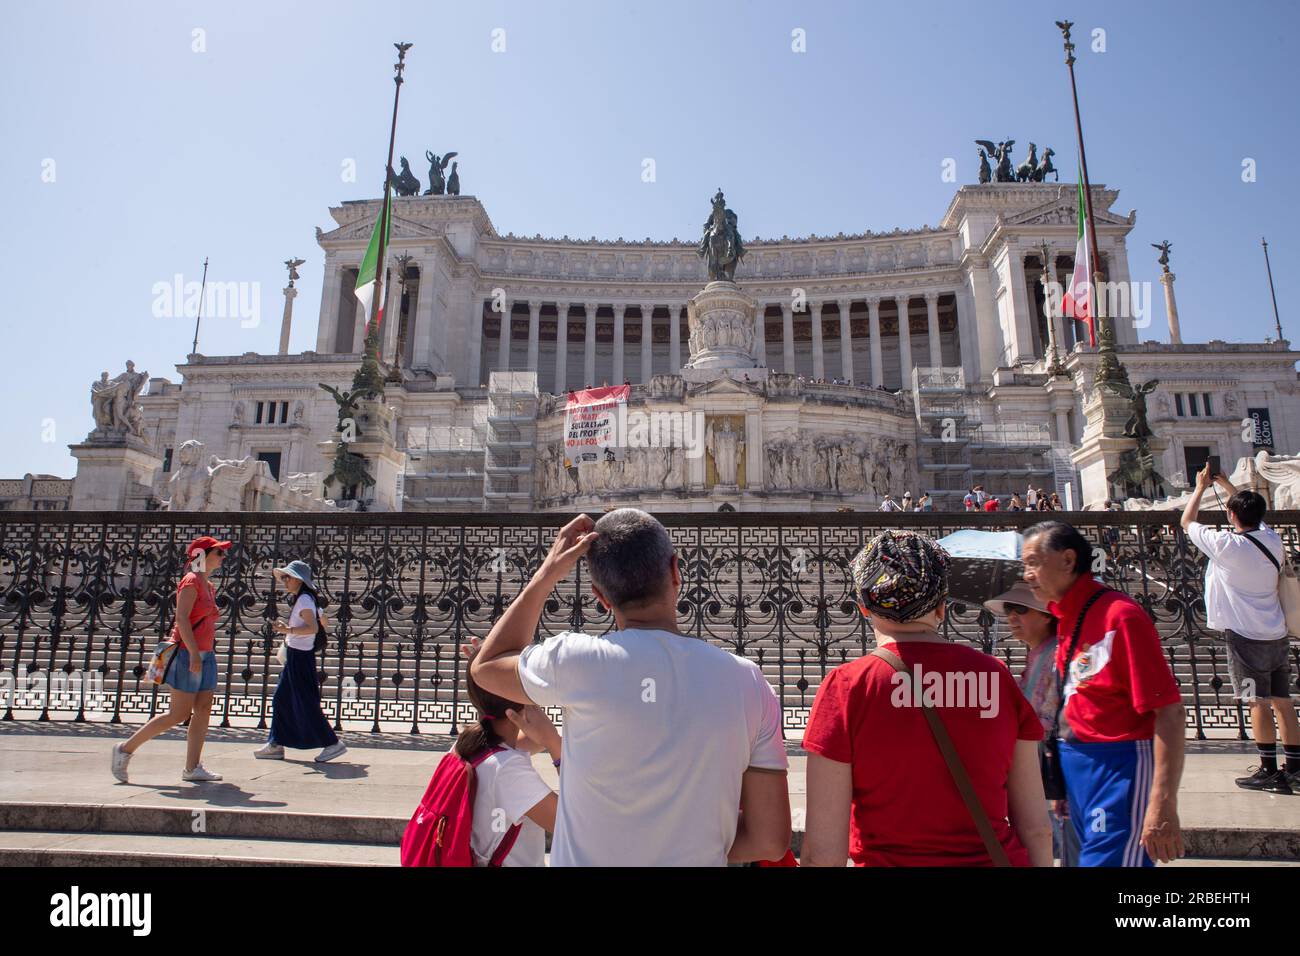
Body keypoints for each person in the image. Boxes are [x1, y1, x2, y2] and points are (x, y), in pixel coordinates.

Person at [471, 510, 791, 866]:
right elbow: (770, 839)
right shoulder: (747, 681)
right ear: (675, 571)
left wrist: (549, 572)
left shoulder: (576, 662)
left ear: (600, 596)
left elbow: (486, 665)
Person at [802, 531, 1051, 867]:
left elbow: (823, 853)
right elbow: (1036, 828)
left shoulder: (847, 687)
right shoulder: (997, 677)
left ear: (864, 606)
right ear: (941, 606)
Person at [1021, 521, 1185, 866]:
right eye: (1025, 565)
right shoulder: (1067, 619)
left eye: (1034, 562)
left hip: (1119, 769)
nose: (1027, 574)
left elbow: (1168, 711)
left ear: (1068, 560)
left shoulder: (1120, 617)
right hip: (1079, 772)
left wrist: (1162, 801)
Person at [1181, 464, 1299, 793]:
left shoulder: (1225, 545)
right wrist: (1227, 485)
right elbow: (1253, 515)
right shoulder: (1271, 540)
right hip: (1276, 634)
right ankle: (1295, 768)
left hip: (1245, 639)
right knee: (1282, 701)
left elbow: (1187, 521)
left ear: (1231, 516)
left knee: (1256, 702)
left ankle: (1268, 770)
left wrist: (1202, 487)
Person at [111, 535, 229, 783]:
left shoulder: (208, 585)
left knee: (204, 710)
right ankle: (124, 750)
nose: (223, 557)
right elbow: (182, 619)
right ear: (202, 555)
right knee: (178, 714)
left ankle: (192, 767)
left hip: (206, 654)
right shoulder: (191, 581)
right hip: (189, 653)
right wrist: (194, 653)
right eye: (218, 552)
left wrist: (203, 653)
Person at [985, 582, 1078, 866]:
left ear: (1047, 614)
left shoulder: (1057, 653)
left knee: (1067, 846)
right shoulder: (1039, 653)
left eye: (1021, 609)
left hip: (1054, 767)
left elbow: (1046, 717)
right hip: (1040, 766)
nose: (1012, 617)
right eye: (1009, 610)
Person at [458, 641, 559, 866]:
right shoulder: (508, 770)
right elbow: (573, 825)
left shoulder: (468, 746)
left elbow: (530, 740)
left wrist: (484, 674)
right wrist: (555, 744)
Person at [254, 561, 347, 763]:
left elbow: (313, 628)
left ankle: (332, 743)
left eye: (287, 577)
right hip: (299, 654)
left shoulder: (304, 599)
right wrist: (292, 628)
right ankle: (276, 743)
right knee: (282, 699)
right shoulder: (307, 599)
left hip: (299, 656)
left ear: (298, 579)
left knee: (304, 701)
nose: (285, 582)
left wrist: (287, 630)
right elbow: (323, 622)